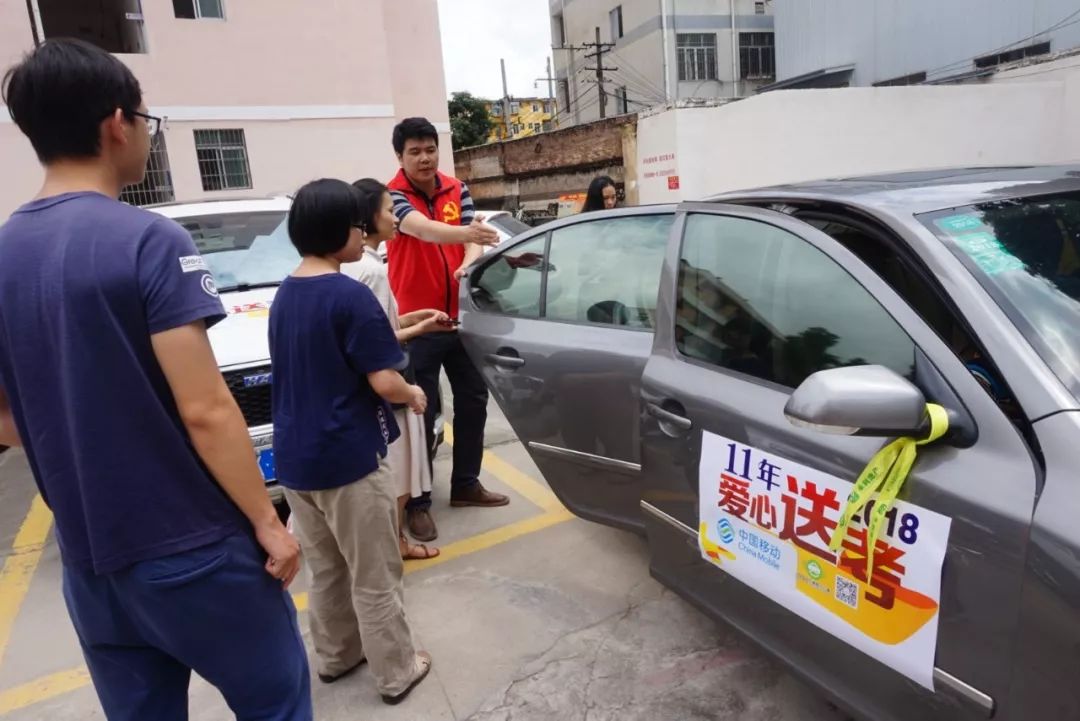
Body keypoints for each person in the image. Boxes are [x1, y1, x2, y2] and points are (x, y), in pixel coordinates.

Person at [0, 39, 310, 721]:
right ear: (117, 123)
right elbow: (206, 407)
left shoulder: (3, 252)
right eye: (147, 119)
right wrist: (267, 520)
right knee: (276, 703)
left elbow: (7, 418)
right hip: (194, 549)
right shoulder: (147, 240)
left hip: (91, 562)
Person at [269, 178, 432, 704]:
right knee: (375, 573)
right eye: (359, 225)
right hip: (348, 460)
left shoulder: (284, 294)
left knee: (327, 568)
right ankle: (396, 670)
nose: (365, 234)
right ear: (336, 230)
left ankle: (337, 657)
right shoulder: (350, 295)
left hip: (296, 462)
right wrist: (413, 394)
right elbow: (383, 380)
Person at [387, 117, 507, 543]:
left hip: (459, 317)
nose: (424, 158)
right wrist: (466, 234)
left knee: (473, 401)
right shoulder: (392, 197)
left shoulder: (457, 189)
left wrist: (469, 260)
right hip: (417, 324)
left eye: (430, 149)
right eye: (415, 151)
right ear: (400, 157)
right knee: (422, 412)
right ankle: (418, 503)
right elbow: (423, 229)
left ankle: (466, 485)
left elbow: (471, 237)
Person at [342, 177, 453, 562]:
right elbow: (383, 339)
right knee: (401, 474)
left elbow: (380, 323)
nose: (396, 218)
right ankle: (396, 545)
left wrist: (413, 315)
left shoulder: (359, 266)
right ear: (369, 217)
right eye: (390, 210)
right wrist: (420, 328)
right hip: (391, 380)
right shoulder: (369, 271)